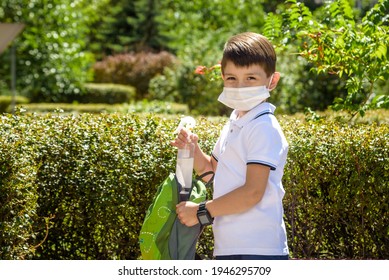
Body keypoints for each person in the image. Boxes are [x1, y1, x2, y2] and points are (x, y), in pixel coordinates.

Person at [171, 32, 289, 260]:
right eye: (232, 78)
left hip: (258, 251)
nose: (240, 87)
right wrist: (192, 150)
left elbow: (252, 193)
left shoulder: (263, 127)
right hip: (230, 249)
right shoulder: (236, 122)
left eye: (251, 79)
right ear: (223, 77)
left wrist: (199, 212)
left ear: (272, 81)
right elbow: (212, 173)